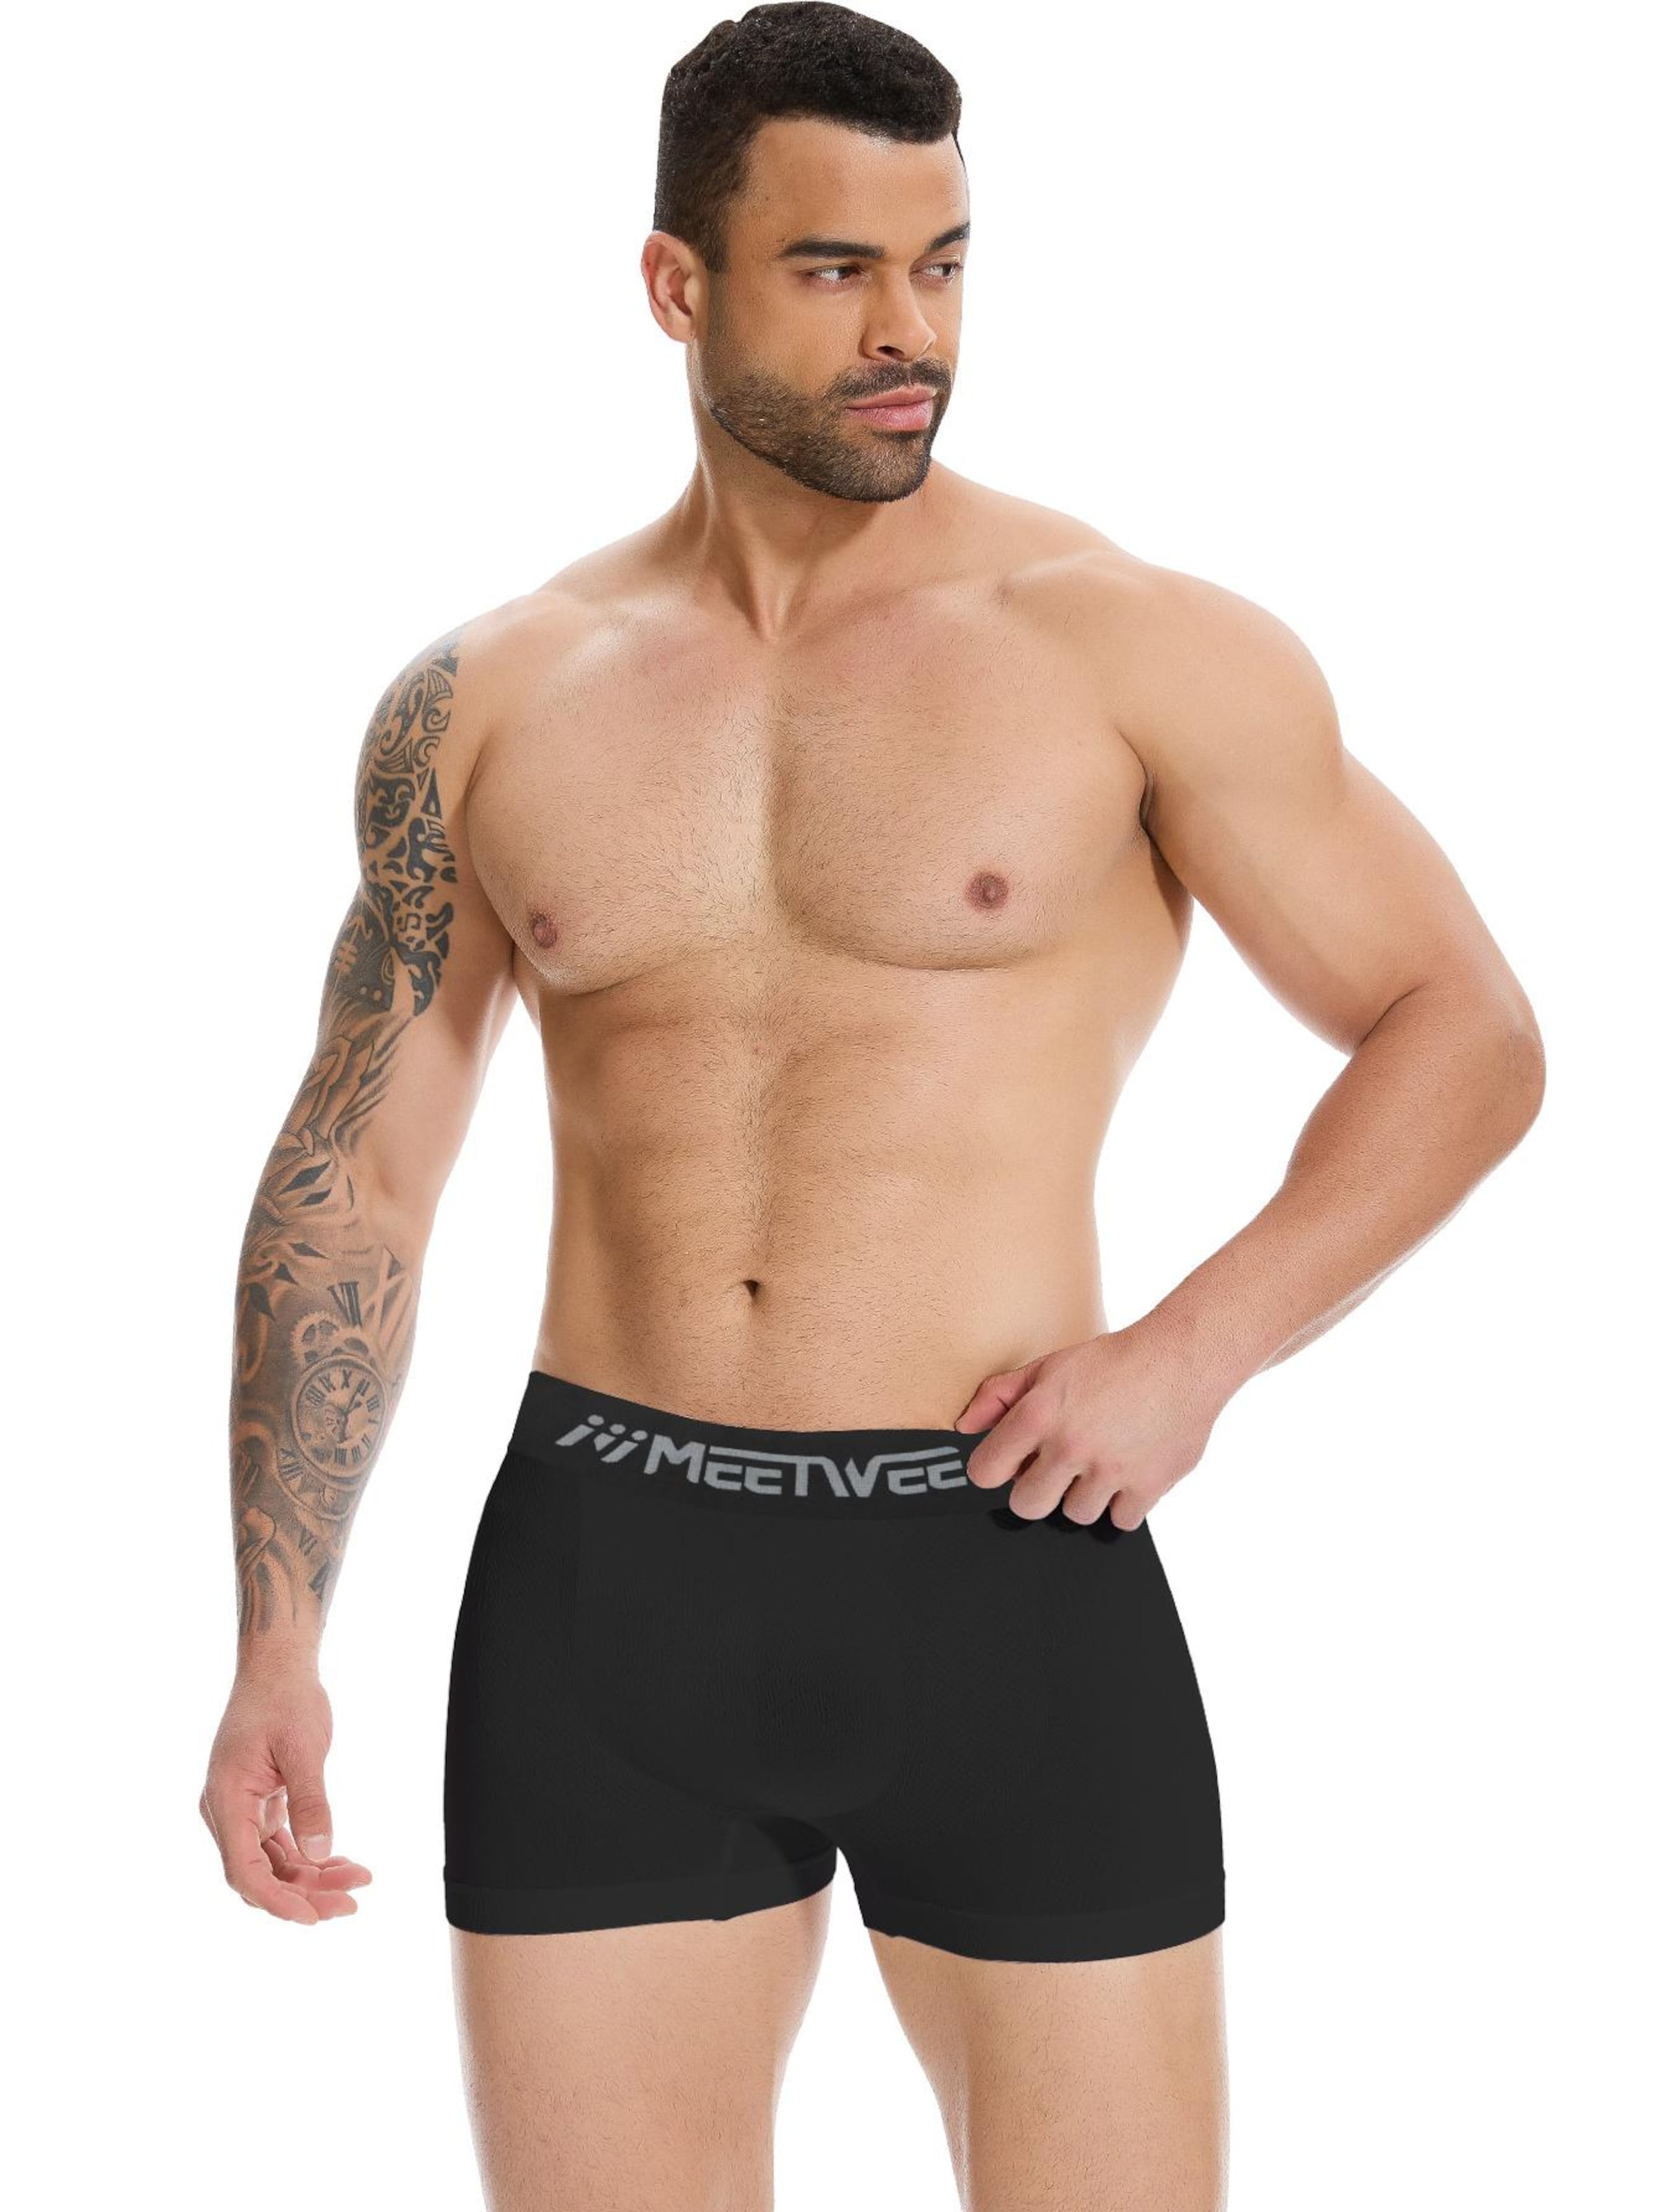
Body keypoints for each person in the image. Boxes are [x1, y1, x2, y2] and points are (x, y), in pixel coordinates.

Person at [198, 6, 1546, 2205]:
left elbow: (1462, 1026)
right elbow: (357, 1169)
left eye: (944, 263)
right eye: (835, 270)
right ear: (677, 284)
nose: (909, 330)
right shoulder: (493, 696)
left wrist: (1191, 1356)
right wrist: (276, 1635)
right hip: (604, 1582)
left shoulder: (1125, 644)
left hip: (1007, 1561)